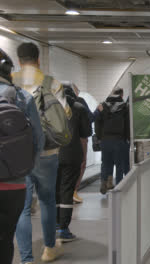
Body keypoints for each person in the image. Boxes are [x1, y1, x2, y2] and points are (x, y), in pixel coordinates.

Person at [13, 42, 71, 263]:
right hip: (47, 152)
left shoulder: (11, 81)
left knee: (23, 207)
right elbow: (65, 114)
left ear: (19, 61)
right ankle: (49, 249)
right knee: (47, 200)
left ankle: (26, 259)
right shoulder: (51, 83)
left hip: (18, 154)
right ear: (38, 60)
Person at [0, 49, 44, 264]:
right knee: (5, 239)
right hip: (14, 183)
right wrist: (23, 168)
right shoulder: (22, 96)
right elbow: (38, 140)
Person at [56, 85, 92, 242]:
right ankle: (63, 229)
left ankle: (53, 226)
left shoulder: (50, 107)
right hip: (72, 155)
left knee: (54, 190)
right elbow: (86, 132)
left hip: (51, 154)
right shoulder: (79, 107)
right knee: (67, 191)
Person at [95, 88, 130, 194]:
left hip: (105, 140)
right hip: (119, 140)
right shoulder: (124, 107)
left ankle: (104, 182)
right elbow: (127, 124)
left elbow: (97, 123)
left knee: (105, 163)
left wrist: (100, 137)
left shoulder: (102, 106)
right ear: (121, 95)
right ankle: (118, 188)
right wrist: (127, 138)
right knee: (119, 165)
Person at [70, 84, 94, 204]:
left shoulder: (55, 103)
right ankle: (73, 191)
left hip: (59, 139)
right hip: (79, 138)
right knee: (81, 163)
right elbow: (89, 118)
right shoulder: (79, 102)